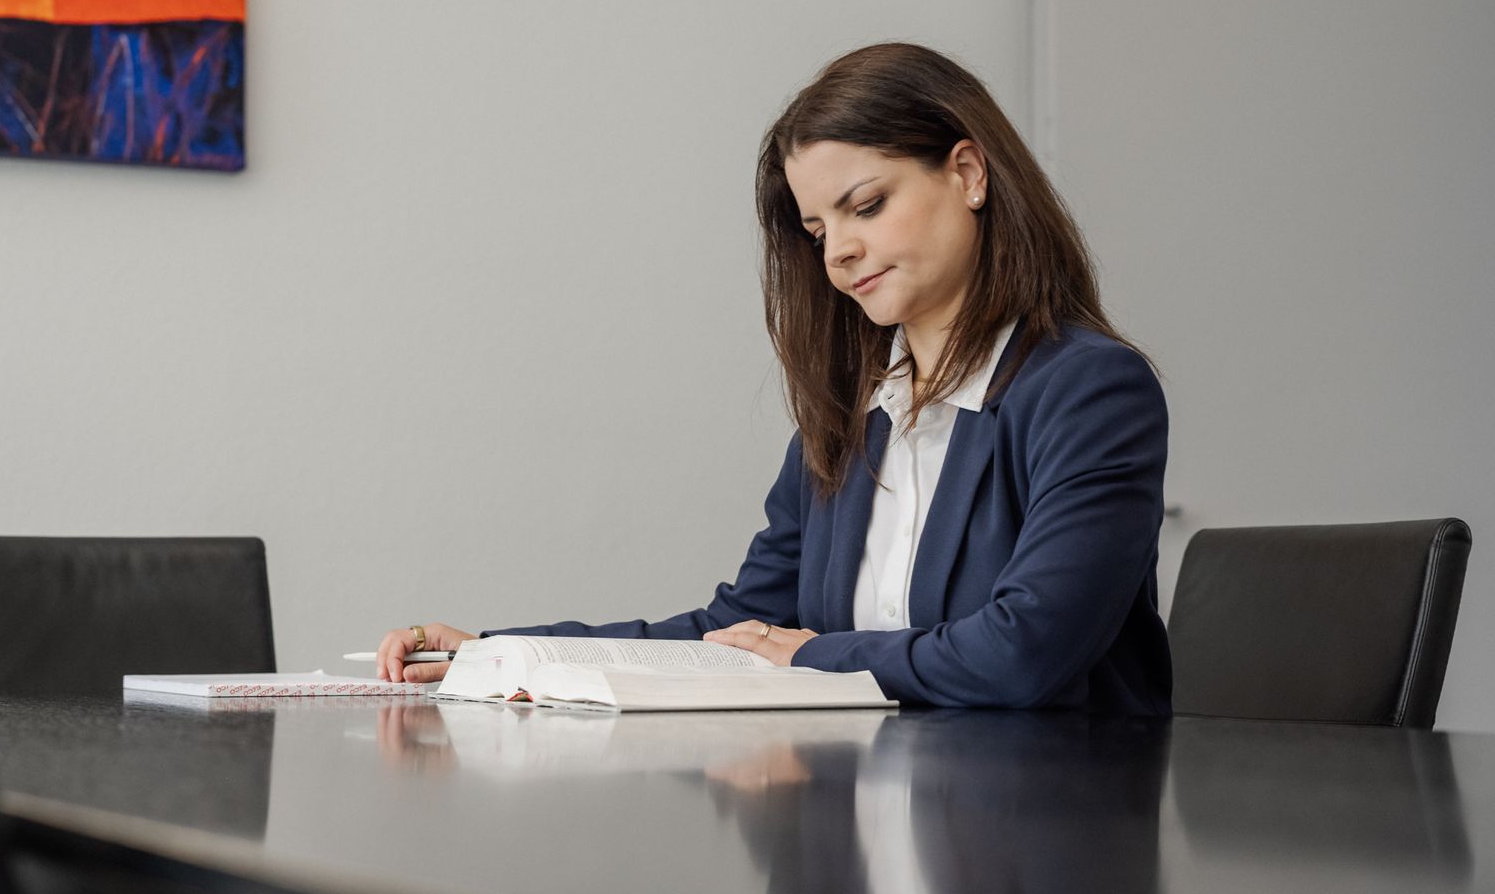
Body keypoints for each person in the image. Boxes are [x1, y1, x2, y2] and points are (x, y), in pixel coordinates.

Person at [376, 42, 1172, 715]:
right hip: (866, 828)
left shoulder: (1090, 392)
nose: (838, 254)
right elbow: (738, 633)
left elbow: (1024, 652)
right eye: (819, 229)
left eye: (867, 206)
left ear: (968, 173)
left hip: (1043, 844)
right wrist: (505, 654)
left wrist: (814, 657)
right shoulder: (851, 417)